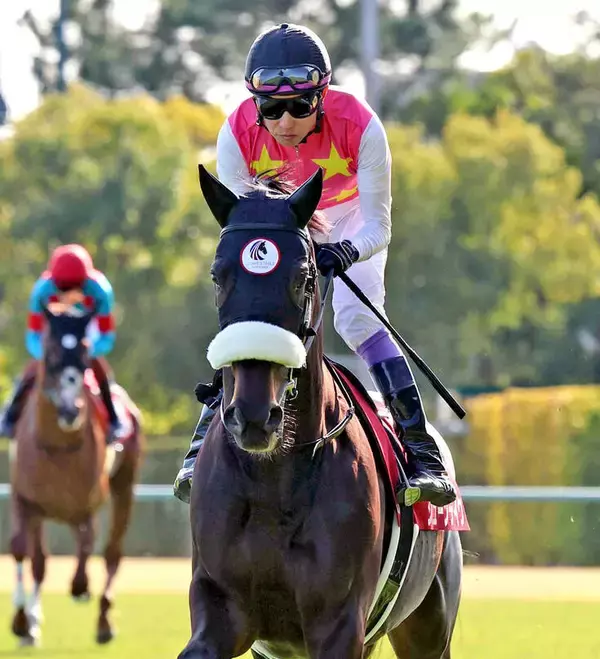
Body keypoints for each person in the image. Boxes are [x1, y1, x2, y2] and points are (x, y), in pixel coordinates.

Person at [173, 23, 455, 507]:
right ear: (253, 103)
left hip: (351, 218)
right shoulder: (235, 134)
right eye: (271, 108)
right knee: (252, 311)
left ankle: (421, 449)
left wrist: (345, 251)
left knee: (354, 317)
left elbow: (379, 228)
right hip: (280, 223)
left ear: (322, 97)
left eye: (300, 106)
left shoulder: (362, 125)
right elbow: (246, 226)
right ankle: (202, 444)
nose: (285, 121)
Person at [0, 243, 127, 444]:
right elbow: (33, 335)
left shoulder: (100, 290)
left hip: (85, 338)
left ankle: (114, 418)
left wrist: (86, 351)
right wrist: (45, 354)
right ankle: (9, 414)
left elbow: (106, 336)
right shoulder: (42, 290)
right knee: (32, 369)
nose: (68, 292)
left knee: (99, 369)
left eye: (75, 287)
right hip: (54, 341)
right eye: (63, 288)